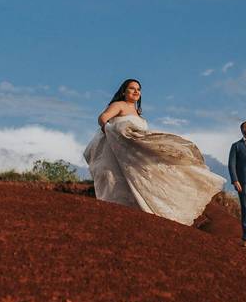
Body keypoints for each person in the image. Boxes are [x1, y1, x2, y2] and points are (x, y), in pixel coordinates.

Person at [83, 79, 223, 226]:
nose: (136, 91)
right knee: (117, 182)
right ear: (124, 91)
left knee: (145, 179)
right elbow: (103, 118)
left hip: (133, 153)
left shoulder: (138, 114)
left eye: (138, 89)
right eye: (132, 88)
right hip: (118, 150)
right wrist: (109, 129)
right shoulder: (119, 105)